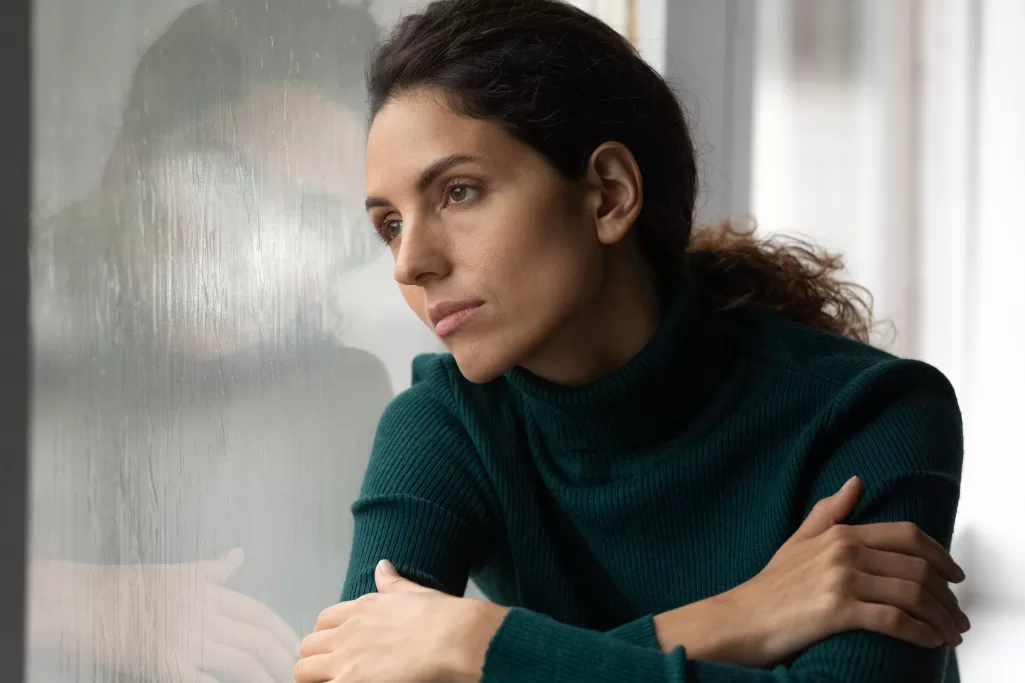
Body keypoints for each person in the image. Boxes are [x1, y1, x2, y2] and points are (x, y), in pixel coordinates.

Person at [294, 1, 968, 682]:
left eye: (459, 192)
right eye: (389, 225)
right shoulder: (449, 422)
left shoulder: (871, 410)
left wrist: (477, 647)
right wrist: (738, 616)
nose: (410, 263)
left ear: (609, 194)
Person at [27, 2, 395, 682]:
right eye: (226, 181)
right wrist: (63, 601)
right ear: (130, 161)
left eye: (317, 218)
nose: (260, 247)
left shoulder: (348, 400)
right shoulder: (32, 332)